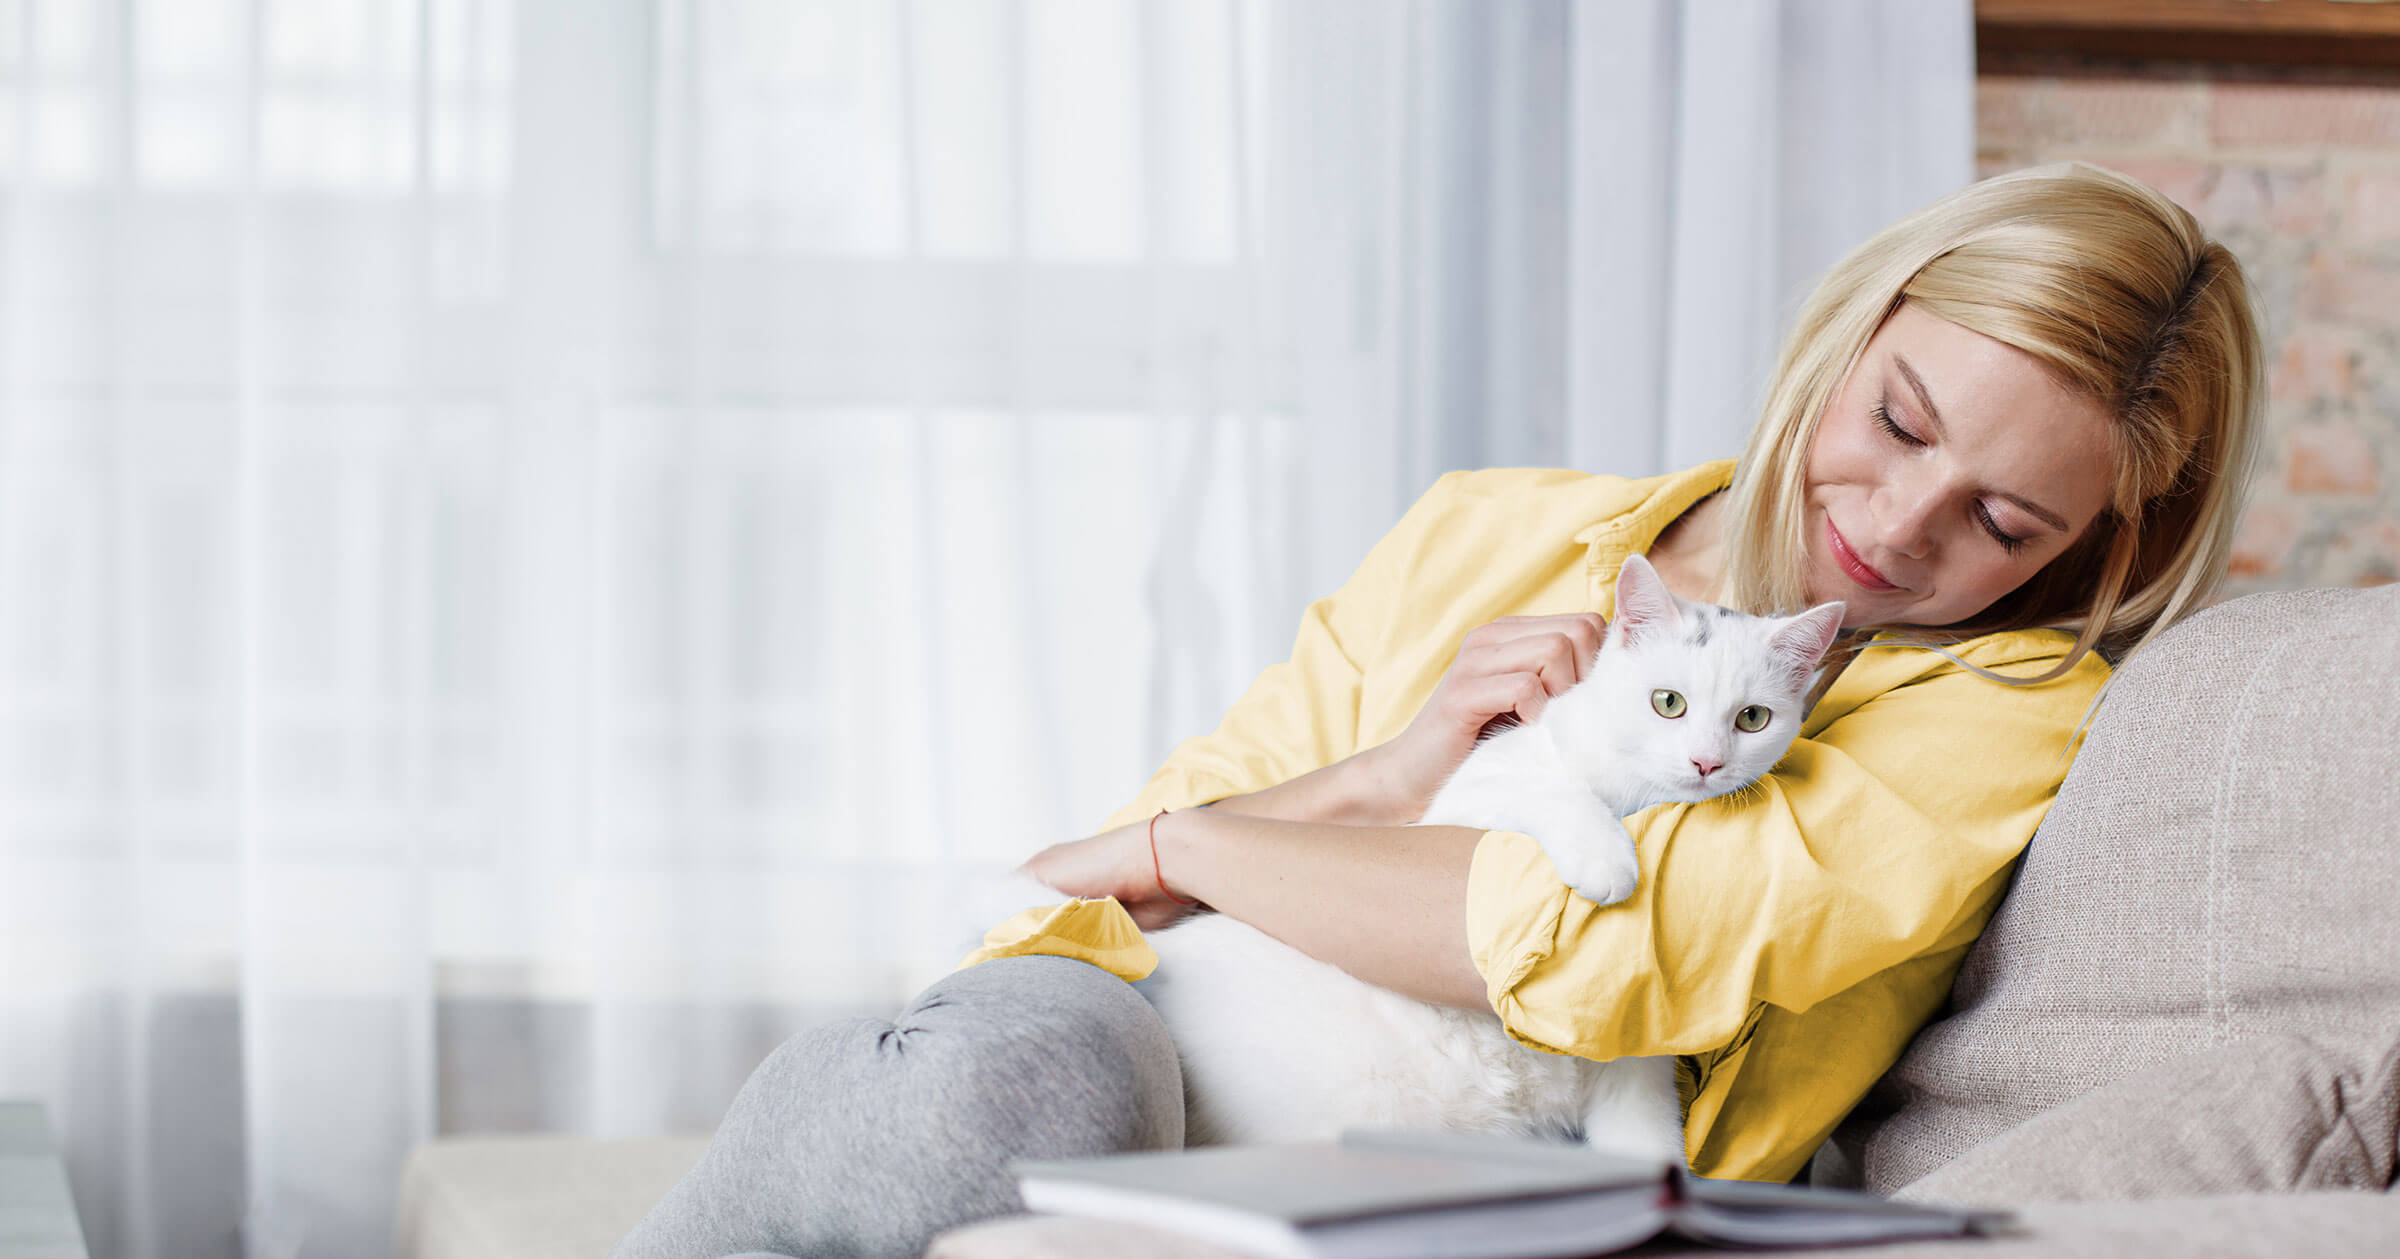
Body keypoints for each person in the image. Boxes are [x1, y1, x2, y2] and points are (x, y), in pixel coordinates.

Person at [608, 161, 2262, 1259]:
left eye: (2006, 524)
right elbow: (1085, 894)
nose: (1901, 527)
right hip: (1146, 1029)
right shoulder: (1497, 526)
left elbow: (1590, 956)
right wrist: (1397, 770)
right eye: (1900, 423)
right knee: (990, 1092)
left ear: (2100, 547)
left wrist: (1203, 838)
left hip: (1481, 1162)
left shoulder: (2004, 706)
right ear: (1851, 332)